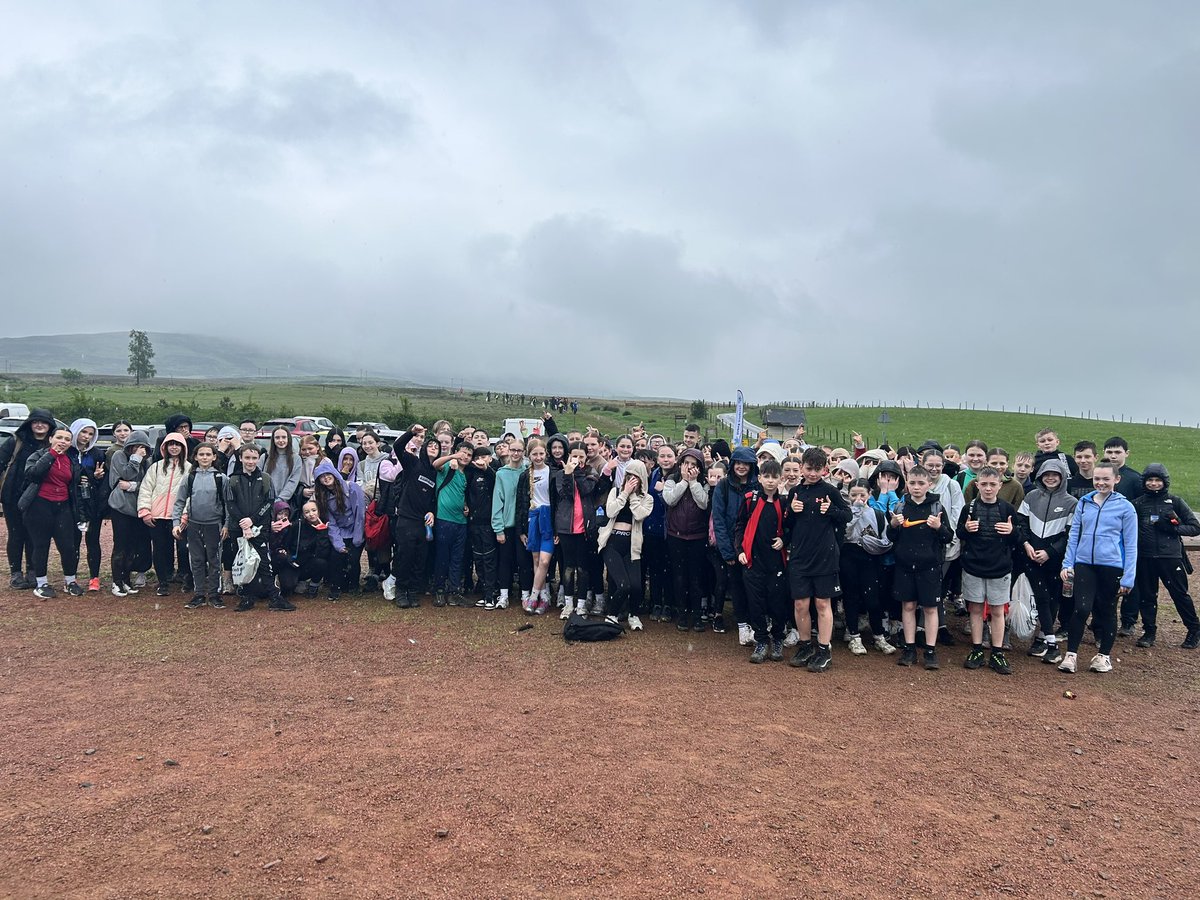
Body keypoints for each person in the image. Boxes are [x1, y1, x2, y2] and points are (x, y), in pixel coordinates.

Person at [1058, 461, 1137, 674]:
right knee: (1081, 608)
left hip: (1112, 566)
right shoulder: (1083, 503)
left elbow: (1131, 544)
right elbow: (1074, 535)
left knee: (1106, 610)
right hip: (1084, 564)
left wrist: (1128, 577)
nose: (1100, 483)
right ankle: (1071, 655)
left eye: (1106, 479)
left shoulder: (1126, 507)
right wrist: (1068, 563)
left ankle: (1103, 656)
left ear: (1116, 480)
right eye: (1097, 479)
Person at [784, 447, 851, 673]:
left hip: (825, 556)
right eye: (809, 469)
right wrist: (791, 511)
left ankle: (824, 649)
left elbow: (847, 516)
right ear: (802, 467)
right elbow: (787, 525)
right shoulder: (795, 492)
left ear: (825, 469)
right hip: (800, 556)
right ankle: (804, 646)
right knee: (801, 603)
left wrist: (832, 510)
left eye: (817, 469)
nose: (812, 474)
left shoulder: (830, 491)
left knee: (823, 603)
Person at [957, 467, 1020, 675]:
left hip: (999, 568)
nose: (988, 488)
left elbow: (1016, 538)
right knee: (975, 609)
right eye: (984, 484)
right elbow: (959, 533)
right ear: (977, 485)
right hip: (973, 566)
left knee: (997, 611)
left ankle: (997, 652)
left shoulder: (1007, 509)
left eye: (993, 484)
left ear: (1000, 485)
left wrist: (1012, 532)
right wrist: (966, 529)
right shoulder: (969, 508)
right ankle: (976, 649)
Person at [890, 465, 954, 670]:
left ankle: (930, 649)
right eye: (912, 483)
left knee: (930, 608)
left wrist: (938, 527)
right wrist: (892, 524)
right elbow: (891, 538)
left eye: (921, 483)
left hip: (929, 566)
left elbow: (948, 536)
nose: (916, 487)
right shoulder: (900, 507)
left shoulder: (937, 507)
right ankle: (909, 648)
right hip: (905, 565)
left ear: (929, 484)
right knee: (907, 606)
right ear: (906, 484)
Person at [1132, 464, 1200, 649]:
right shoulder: (1138, 504)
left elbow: (1195, 527)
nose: (1154, 484)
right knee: (1147, 596)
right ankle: (1149, 631)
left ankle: (1194, 629)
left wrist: (1173, 529)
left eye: (1157, 480)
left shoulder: (1175, 501)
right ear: (1144, 482)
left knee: (1179, 594)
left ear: (1164, 482)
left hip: (1170, 557)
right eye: (1150, 480)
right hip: (1145, 557)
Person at [1016, 459, 1076, 665]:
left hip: (1054, 559)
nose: (1050, 478)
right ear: (1040, 476)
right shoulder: (1031, 496)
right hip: (1031, 555)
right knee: (1041, 596)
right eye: (1046, 475)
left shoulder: (1071, 503)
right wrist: (1026, 544)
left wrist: (1050, 552)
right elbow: (1020, 523)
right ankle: (1052, 644)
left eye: (1055, 475)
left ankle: (1042, 638)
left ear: (1062, 477)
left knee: (1052, 598)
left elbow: (1069, 535)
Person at [226, 442, 294, 612]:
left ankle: (274, 598)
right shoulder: (232, 479)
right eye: (247, 457)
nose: (250, 461)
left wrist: (252, 520)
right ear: (240, 458)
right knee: (243, 562)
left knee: (264, 563)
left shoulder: (265, 479)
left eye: (254, 458)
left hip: (259, 528)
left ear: (258, 459)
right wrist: (243, 522)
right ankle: (247, 597)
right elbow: (230, 504)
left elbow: (269, 502)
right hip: (238, 529)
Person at [20, 425, 84, 599]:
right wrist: (52, 454)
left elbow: (75, 484)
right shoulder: (38, 455)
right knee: (41, 545)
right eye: (59, 438)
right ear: (50, 439)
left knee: (68, 546)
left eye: (67, 440)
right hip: (39, 505)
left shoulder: (70, 460)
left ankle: (70, 581)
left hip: (62, 506)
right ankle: (41, 583)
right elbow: (33, 474)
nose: (62, 442)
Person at [735, 459, 789, 663]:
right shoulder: (750, 499)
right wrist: (739, 549)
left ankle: (777, 639)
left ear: (780, 479)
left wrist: (784, 540)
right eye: (766, 476)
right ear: (759, 478)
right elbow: (739, 525)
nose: (770, 481)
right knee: (755, 603)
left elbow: (791, 527)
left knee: (777, 602)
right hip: (753, 560)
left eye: (775, 477)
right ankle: (761, 640)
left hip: (776, 561)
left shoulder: (784, 502)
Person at [0, 407, 55, 588]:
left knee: (34, 535)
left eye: (44, 422)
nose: (39, 425)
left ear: (50, 426)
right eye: (36, 422)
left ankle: (33, 571)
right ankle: (16, 574)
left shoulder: (52, 445)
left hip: (39, 498)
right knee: (16, 535)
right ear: (29, 424)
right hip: (13, 495)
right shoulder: (15, 442)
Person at [840, 479, 895, 655]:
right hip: (848, 557)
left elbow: (886, 538)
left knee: (873, 598)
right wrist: (855, 511)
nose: (858, 498)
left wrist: (875, 543)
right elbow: (845, 533)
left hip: (870, 559)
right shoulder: (846, 512)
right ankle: (854, 635)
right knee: (851, 597)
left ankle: (879, 635)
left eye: (862, 495)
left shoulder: (877, 513)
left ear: (869, 495)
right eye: (854, 495)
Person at [596, 459, 653, 626]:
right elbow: (611, 511)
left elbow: (640, 515)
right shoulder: (615, 491)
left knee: (635, 586)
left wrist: (633, 495)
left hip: (632, 545)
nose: (632, 479)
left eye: (636, 477)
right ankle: (612, 615)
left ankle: (633, 615)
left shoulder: (647, 498)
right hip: (612, 542)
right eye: (629, 476)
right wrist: (624, 493)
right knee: (623, 585)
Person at [172, 442, 228, 609]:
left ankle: (214, 594)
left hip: (214, 525)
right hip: (194, 524)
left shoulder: (221, 478)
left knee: (214, 559)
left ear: (214, 457)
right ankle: (198, 594)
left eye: (208, 454)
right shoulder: (189, 477)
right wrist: (176, 523)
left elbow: (228, 505)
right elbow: (179, 502)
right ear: (195, 457)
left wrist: (226, 525)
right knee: (196, 559)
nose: (205, 457)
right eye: (201, 454)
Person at [712, 446, 759, 645]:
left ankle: (754, 625)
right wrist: (727, 551)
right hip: (731, 546)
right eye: (738, 463)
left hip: (754, 547)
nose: (741, 467)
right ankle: (742, 626)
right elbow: (719, 520)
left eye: (745, 463)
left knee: (754, 587)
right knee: (737, 586)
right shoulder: (722, 486)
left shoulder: (759, 487)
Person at [136, 432, 191, 597]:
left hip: (179, 517)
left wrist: (185, 515)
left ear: (183, 447)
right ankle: (164, 581)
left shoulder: (189, 468)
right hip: (158, 516)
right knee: (160, 550)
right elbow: (146, 489)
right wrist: (145, 511)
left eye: (177, 444)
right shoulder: (156, 467)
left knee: (184, 549)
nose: (174, 447)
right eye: (170, 444)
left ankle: (187, 578)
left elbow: (191, 493)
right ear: (165, 447)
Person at [390, 425, 439, 609]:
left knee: (420, 557)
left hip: (423, 522)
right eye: (430, 446)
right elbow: (397, 446)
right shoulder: (412, 463)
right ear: (424, 448)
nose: (434, 449)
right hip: (406, 519)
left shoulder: (437, 473)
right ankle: (401, 591)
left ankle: (413, 591)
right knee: (405, 555)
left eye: (437, 447)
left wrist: (432, 511)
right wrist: (411, 431)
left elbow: (435, 498)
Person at [663, 447, 710, 632]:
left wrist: (694, 483)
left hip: (698, 536)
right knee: (679, 576)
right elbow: (670, 500)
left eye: (694, 464)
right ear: (680, 464)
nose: (689, 467)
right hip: (676, 536)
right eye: (686, 463)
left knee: (696, 577)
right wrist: (684, 481)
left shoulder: (704, 482)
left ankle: (697, 615)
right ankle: (682, 614)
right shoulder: (672, 480)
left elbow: (703, 503)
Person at [552, 442, 597, 621]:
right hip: (566, 527)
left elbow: (586, 490)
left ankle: (581, 604)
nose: (577, 460)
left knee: (583, 567)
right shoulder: (560, 474)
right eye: (574, 456)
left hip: (585, 527)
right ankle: (568, 603)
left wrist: (576, 473)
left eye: (581, 457)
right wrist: (568, 474)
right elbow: (566, 494)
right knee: (568, 566)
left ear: (586, 458)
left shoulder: (591, 473)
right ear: (569, 455)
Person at [107, 430, 153, 596]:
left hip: (137, 508)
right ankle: (116, 582)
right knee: (120, 545)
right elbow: (126, 474)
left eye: (143, 447)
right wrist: (135, 459)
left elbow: (148, 483)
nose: (140, 450)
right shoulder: (119, 455)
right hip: (120, 507)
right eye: (136, 447)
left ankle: (126, 580)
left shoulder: (147, 462)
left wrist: (132, 486)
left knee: (132, 546)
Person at [67, 418, 108, 592]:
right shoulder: (66, 452)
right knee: (73, 542)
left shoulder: (97, 454)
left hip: (92, 503)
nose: (86, 437)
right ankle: (71, 578)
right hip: (71, 503)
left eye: (91, 434)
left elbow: (101, 480)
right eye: (84, 432)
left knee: (93, 541)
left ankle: (94, 578)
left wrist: (96, 477)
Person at [492, 436, 531, 610]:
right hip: (507, 525)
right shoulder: (501, 473)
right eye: (512, 450)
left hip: (523, 526)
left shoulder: (529, 471)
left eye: (519, 450)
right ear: (508, 451)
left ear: (524, 452)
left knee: (524, 561)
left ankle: (525, 594)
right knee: (505, 561)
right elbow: (497, 502)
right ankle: (504, 595)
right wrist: (498, 528)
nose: (515, 453)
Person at [516, 437, 555, 614]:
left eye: (541, 453)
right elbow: (520, 504)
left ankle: (534, 596)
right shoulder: (525, 476)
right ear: (528, 455)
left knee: (545, 560)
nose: (538, 457)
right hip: (532, 518)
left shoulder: (553, 473)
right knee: (536, 560)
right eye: (534, 454)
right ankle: (542, 596)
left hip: (548, 519)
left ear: (545, 454)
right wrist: (520, 530)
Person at [431, 441, 471, 607]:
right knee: (442, 557)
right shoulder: (448, 467)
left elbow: (462, 493)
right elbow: (435, 464)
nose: (465, 457)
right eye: (463, 453)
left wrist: (466, 505)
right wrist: (452, 457)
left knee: (457, 558)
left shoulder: (466, 474)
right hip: (444, 519)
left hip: (461, 521)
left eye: (469, 455)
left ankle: (454, 591)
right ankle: (439, 590)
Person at [464, 445, 499, 609]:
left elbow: (495, 482)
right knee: (478, 557)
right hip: (473, 522)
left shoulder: (493, 473)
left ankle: (491, 594)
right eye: (478, 457)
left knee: (489, 558)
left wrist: (487, 469)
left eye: (485, 457)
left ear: (490, 459)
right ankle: (484, 590)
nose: (481, 460)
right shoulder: (470, 473)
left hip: (489, 523)